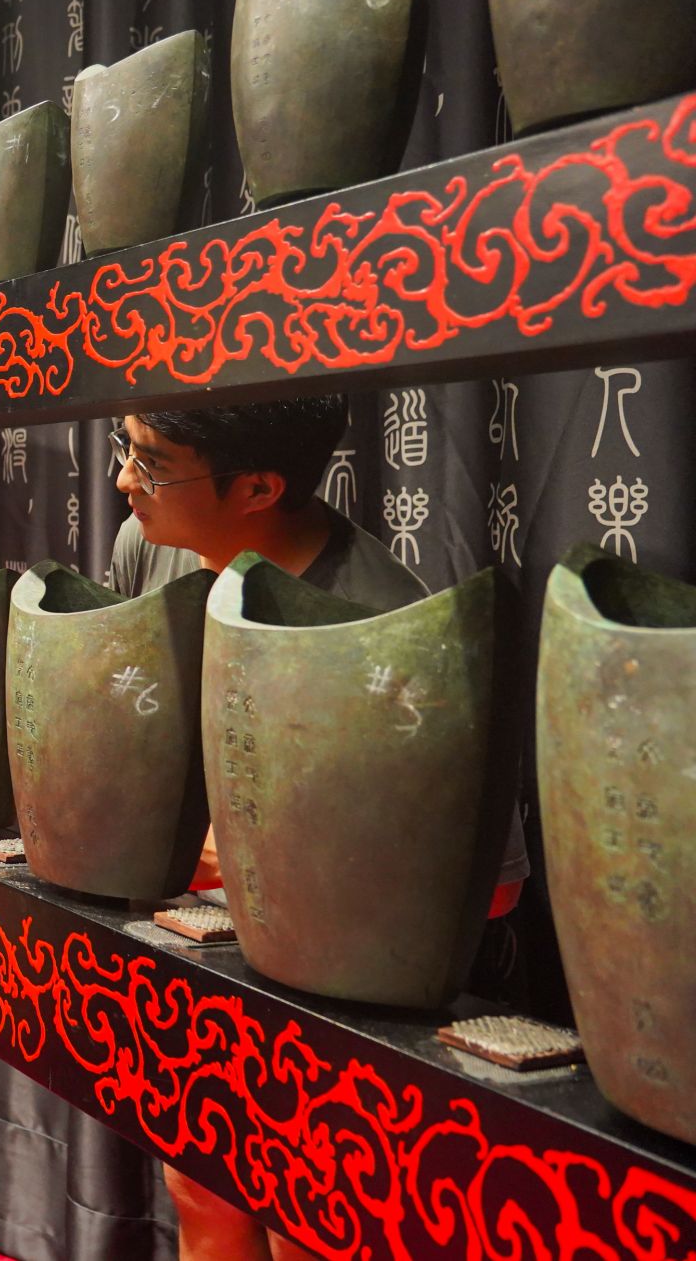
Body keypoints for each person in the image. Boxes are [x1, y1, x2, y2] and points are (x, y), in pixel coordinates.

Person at [106, 397, 525, 1261]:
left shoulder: (383, 620)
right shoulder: (147, 546)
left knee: (310, 1219)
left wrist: (265, 854)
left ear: (258, 486)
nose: (123, 480)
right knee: (200, 1184)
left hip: (332, 998)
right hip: (196, 953)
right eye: (127, 449)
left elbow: (493, 889)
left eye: (153, 464)